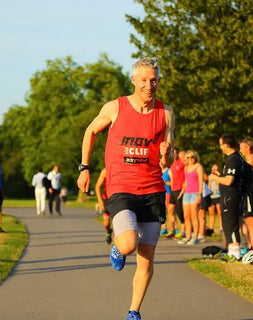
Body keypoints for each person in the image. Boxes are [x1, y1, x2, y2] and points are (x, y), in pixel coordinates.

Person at [77, 57, 175, 320]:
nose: (149, 85)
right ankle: (119, 247)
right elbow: (90, 131)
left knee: (146, 260)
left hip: (153, 189)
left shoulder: (166, 113)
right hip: (122, 186)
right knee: (130, 244)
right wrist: (84, 168)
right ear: (133, 80)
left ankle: (133, 312)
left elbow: (168, 160)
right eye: (143, 80)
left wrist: (167, 154)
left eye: (153, 80)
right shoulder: (116, 107)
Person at [210, 133, 245, 261]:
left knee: (231, 224)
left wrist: (215, 178)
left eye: (221, 144)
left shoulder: (233, 159)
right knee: (227, 224)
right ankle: (232, 251)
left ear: (226, 144)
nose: (220, 147)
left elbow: (229, 181)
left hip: (231, 196)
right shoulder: (233, 159)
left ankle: (235, 252)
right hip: (229, 196)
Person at [239, 137, 253, 253]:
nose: (240, 150)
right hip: (245, 193)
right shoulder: (246, 159)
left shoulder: (252, 159)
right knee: (243, 220)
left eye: (242, 148)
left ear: (248, 147)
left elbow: (243, 172)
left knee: (250, 219)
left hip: (250, 193)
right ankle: (249, 244)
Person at [177, 150, 204, 245]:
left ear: (195, 157)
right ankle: (188, 236)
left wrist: (199, 195)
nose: (190, 159)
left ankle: (195, 237)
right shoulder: (186, 168)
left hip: (195, 193)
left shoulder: (198, 167)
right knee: (186, 216)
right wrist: (181, 193)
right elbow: (186, 182)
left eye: (192, 157)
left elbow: (201, 181)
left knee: (194, 216)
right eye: (188, 157)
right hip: (187, 193)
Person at [167, 149, 186, 238]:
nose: (174, 155)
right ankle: (173, 230)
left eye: (175, 153)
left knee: (180, 211)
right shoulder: (172, 164)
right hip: (173, 190)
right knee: (170, 210)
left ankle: (183, 231)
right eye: (172, 153)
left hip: (180, 189)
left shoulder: (181, 163)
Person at [95, 168, 112, 244]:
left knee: (117, 222)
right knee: (106, 223)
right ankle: (108, 232)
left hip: (118, 199)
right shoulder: (105, 171)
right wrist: (100, 201)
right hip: (107, 200)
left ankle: (116, 243)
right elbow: (98, 186)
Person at [207, 164, 222, 236]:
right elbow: (209, 186)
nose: (214, 171)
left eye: (215, 169)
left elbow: (220, 184)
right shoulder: (210, 177)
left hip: (218, 195)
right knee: (211, 213)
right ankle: (211, 228)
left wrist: (218, 175)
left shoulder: (220, 176)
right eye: (213, 169)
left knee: (220, 212)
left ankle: (221, 227)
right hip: (211, 196)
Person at [159, 165, 172, 236]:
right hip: (160, 193)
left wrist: (165, 182)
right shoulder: (158, 169)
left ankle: (173, 228)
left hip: (168, 193)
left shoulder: (169, 171)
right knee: (162, 211)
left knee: (170, 211)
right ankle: (164, 228)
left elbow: (174, 183)